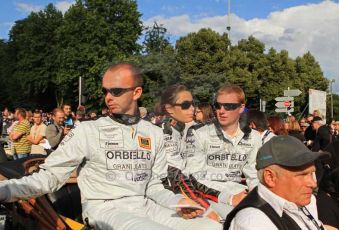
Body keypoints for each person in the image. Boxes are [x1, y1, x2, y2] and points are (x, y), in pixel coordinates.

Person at [0, 63, 221, 230]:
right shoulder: (88, 130)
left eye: (116, 91)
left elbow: (154, 186)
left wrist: (177, 201)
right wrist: (5, 191)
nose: (108, 97)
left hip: (146, 205)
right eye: (105, 90)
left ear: (136, 93)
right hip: (105, 209)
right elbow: (49, 177)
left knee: (211, 226)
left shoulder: (154, 133)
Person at [185, 85, 262, 219]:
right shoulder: (198, 133)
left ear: (241, 108)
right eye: (218, 105)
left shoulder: (254, 137)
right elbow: (195, 177)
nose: (221, 111)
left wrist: (255, 195)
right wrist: (229, 198)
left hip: (240, 193)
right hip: (208, 196)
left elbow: (254, 175)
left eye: (229, 106)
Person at [224, 135, 327, 230]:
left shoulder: (304, 201)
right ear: (270, 177)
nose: (313, 184)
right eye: (302, 175)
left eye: (312, 173)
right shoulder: (254, 222)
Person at [159, 84, 220, 221]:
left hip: (183, 192)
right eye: (186, 105)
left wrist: (223, 196)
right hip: (166, 198)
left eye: (192, 104)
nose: (192, 109)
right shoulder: (166, 133)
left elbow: (189, 175)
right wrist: (205, 208)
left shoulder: (179, 129)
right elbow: (177, 176)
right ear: (169, 109)